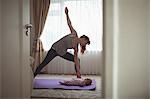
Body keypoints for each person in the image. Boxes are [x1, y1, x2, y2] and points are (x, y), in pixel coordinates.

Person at [34, 7, 90, 78]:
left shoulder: (76, 47)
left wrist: (78, 72)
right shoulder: (74, 34)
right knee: (44, 63)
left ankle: (78, 76)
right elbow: (69, 23)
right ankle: (33, 76)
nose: (84, 44)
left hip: (62, 53)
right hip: (54, 49)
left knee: (77, 59)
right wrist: (67, 14)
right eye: (85, 42)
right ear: (83, 39)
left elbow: (76, 60)